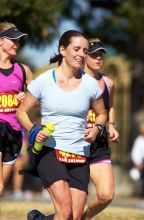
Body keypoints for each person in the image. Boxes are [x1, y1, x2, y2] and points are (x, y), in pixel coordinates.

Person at [16, 30, 107, 220]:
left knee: (73, 217)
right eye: (76, 49)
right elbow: (21, 112)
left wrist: (97, 129)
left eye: (84, 50)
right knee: (65, 211)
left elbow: (102, 114)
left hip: (79, 154)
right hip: (50, 151)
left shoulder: (91, 85)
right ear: (62, 50)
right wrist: (34, 128)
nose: (82, 54)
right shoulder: (44, 81)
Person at [82, 39, 119, 220]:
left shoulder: (108, 83)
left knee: (106, 195)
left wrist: (111, 126)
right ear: (84, 56)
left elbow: (110, 107)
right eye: (93, 54)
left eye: (100, 54)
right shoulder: (74, 80)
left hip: (99, 145)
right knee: (72, 205)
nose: (98, 58)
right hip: (76, 145)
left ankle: (84, 218)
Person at [0, 21, 33, 196]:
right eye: (13, 40)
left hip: (14, 133)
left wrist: (26, 98)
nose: (17, 44)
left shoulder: (23, 70)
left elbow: (37, 99)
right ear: (0, 41)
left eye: (19, 41)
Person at [131, 122, 144, 198]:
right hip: (143, 162)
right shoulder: (139, 140)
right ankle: (142, 194)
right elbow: (135, 153)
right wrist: (138, 162)